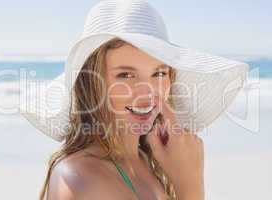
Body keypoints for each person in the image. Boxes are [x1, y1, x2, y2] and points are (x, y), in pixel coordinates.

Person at [19, 0, 249, 199]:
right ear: (91, 83)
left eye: (159, 73)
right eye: (125, 75)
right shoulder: (80, 178)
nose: (147, 92)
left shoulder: (149, 160)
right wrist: (190, 186)